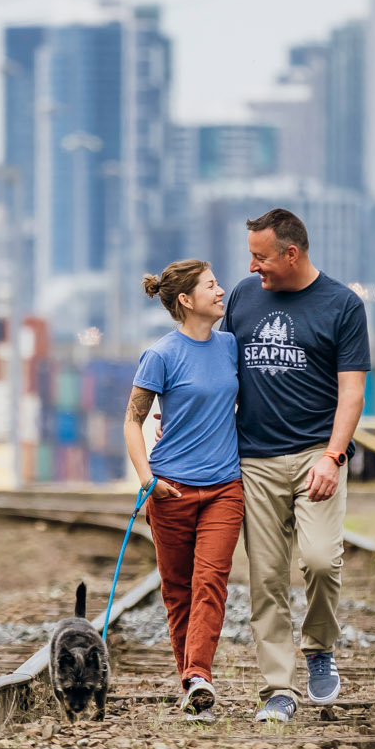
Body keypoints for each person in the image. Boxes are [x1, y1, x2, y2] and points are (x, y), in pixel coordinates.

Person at [222, 208, 370, 724]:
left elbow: (352, 390)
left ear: (292, 253)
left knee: (321, 561)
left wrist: (334, 455)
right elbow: (224, 370)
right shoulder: (243, 297)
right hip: (255, 458)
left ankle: (320, 648)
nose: (252, 266)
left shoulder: (342, 305)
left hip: (316, 455)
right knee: (265, 579)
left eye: (261, 257)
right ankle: (278, 689)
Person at [122, 259, 245, 714]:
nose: (221, 291)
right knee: (178, 590)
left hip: (224, 489)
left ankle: (198, 677)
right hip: (169, 489)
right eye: (211, 286)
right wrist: (147, 479)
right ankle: (193, 683)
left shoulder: (231, 346)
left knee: (211, 581)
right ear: (186, 300)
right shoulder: (161, 355)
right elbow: (133, 421)